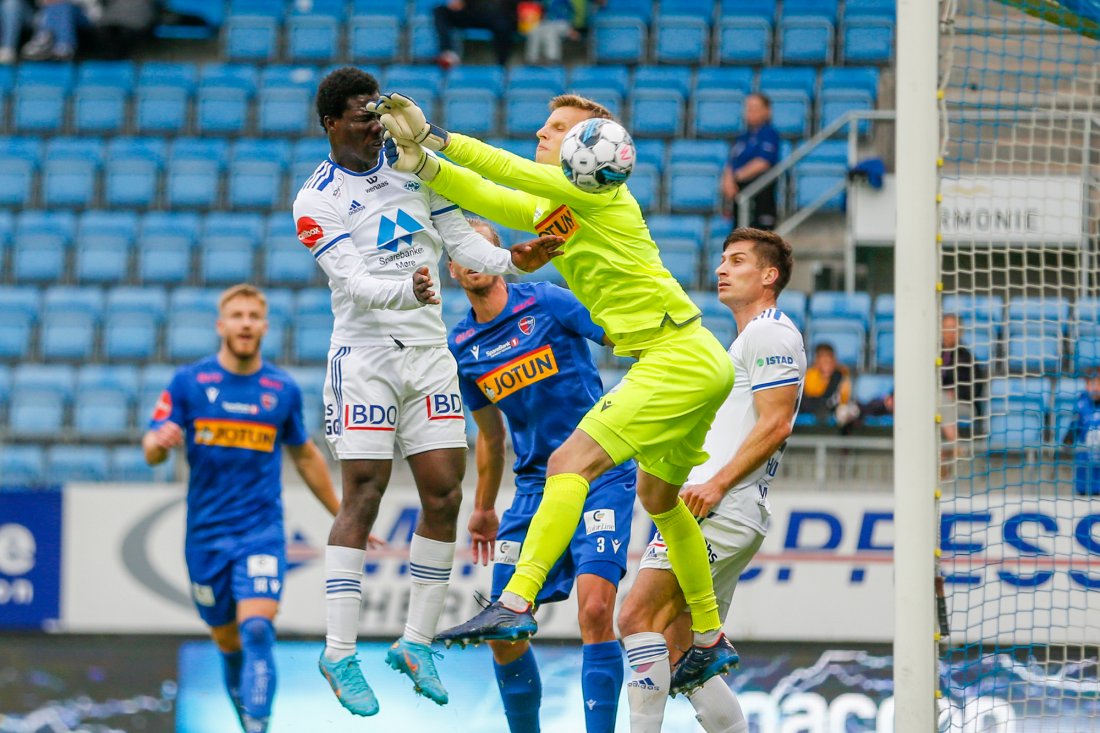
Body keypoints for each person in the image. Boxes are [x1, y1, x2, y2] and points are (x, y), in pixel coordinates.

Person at [374, 90, 739, 694]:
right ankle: (707, 636)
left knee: (570, 461)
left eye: (559, 128)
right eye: (544, 127)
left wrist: (436, 138)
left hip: (675, 356)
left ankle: (517, 601)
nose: (543, 135)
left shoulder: (595, 189)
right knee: (660, 499)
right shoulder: (559, 207)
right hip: (691, 357)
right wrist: (423, 168)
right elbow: (493, 197)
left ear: (586, 148)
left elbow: (502, 172)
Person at [291, 67, 562, 717]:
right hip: (365, 358)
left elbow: (464, 239)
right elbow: (352, 282)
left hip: (429, 355)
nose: (375, 125)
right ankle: (338, 650)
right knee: (365, 491)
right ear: (331, 122)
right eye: (361, 115)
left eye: (378, 113)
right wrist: (406, 289)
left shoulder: (417, 166)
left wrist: (511, 261)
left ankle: (416, 644)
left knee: (444, 492)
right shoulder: (315, 198)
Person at [449, 218, 635, 733]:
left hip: (600, 469)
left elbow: (620, 336)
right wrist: (484, 507)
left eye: (482, 250)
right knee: (503, 632)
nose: (472, 260)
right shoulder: (461, 345)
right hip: (533, 488)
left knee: (595, 607)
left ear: (499, 257)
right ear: (452, 268)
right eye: (461, 253)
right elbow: (490, 437)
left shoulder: (548, 301)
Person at [618, 228, 804, 731]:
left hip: (718, 510)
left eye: (738, 261)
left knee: (636, 617)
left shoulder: (772, 332)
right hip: (717, 510)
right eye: (722, 259)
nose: (722, 269)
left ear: (769, 276)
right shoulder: (745, 340)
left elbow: (777, 422)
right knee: (681, 651)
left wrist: (716, 484)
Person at [142, 284, 346, 733]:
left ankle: (259, 726)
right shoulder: (189, 383)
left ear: (265, 327)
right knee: (228, 640)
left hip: (261, 531)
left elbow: (306, 455)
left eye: (254, 316)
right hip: (205, 539)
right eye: (237, 315)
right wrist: (158, 444)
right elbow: (152, 446)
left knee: (256, 630)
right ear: (222, 325)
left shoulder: (281, 389)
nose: (246, 323)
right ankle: (247, 720)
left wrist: (343, 513)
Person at [721, 93, 781, 230]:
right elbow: (731, 162)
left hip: (759, 199)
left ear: (767, 111)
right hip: (740, 198)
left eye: (755, 107)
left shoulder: (769, 134)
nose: (750, 111)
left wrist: (736, 178)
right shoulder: (742, 137)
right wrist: (727, 180)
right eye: (748, 107)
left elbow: (763, 162)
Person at [433, 0, 518, 69]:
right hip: (473, 11)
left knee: (504, 25)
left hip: (499, 14)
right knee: (440, 11)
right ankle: (449, 53)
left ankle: (502, 66)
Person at [940, 313, 978, 444]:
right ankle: (954, 449)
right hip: (935, 403)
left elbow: (976, 388)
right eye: (946, 327)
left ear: (960, 332)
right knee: (939, 400)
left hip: (962, 405)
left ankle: (955, 445)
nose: (950, 332)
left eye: (953, 328)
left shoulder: (967, 358)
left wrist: (957, 394)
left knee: (942, 402)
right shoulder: (931, 353)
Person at [1062, 366, 1100, 495]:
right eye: (1090, 384)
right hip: (1085, 476)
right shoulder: (1082, 403)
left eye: (1098, 384)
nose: (1094, 388)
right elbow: (1070, 435)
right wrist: (1067, 441)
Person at [21, 0, 97, 61]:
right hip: (50, 14)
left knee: (63, 6)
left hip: (83, 16)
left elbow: (90, 7)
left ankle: (63, 45)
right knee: (54, 7)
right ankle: (45, 38)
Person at [798, 342, 852, 425]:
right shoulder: (810, 374)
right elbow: (810, 394)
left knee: (845, 411)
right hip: (813, 407)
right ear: (817, 361)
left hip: (833, 408)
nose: (827, 363)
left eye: (829, 359)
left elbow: (844, 399)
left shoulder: (840, 374)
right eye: (823, 360)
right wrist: (824, 378)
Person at [523, 0, 578, 64]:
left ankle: (553, 59)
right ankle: (532, 59)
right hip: (547, 23)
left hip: (562, 23)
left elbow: (572, 13)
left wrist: (572, 28)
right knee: (534, 30)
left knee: (550, 31)